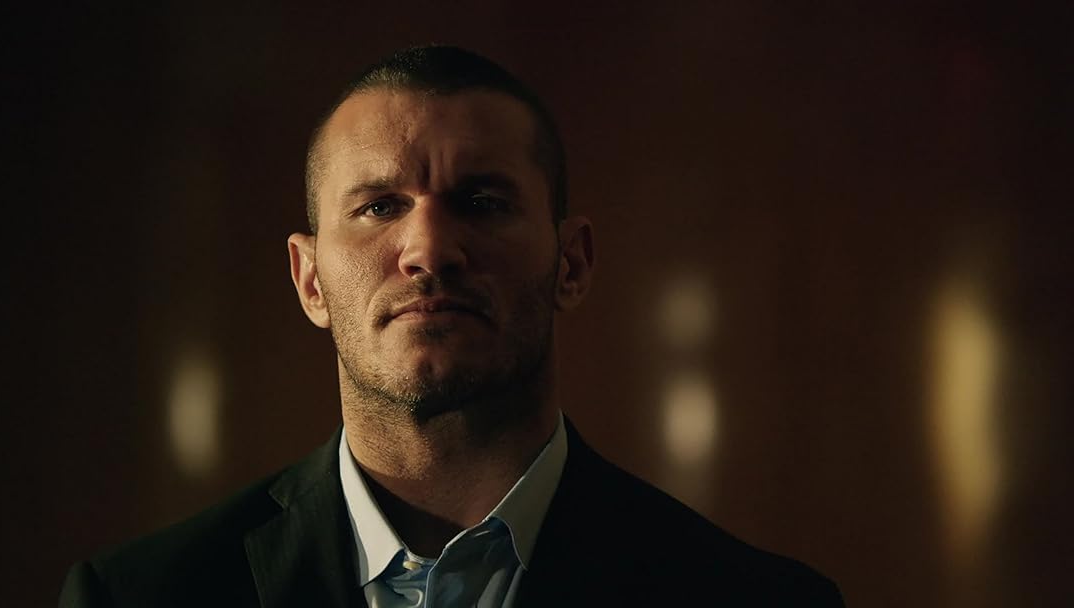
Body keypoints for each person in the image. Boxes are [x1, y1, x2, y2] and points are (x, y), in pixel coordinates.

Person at [59, 46, 844, 607]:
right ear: (310, 279)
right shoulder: (137, 596)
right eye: (379, 206)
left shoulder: (756, 599)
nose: (429, 250)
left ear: (571, 264)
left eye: (482, 202)